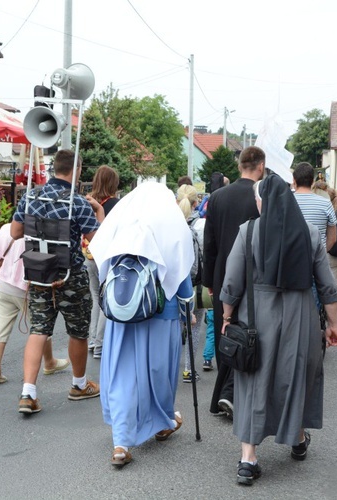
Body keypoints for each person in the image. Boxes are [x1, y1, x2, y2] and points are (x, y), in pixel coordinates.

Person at [220, 174, 337, 486]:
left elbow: (232, 282)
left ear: (264, 202)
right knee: (297, 375)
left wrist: (226, 317)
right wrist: (333, 324)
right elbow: (326, 285)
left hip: (256, 319)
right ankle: (298, 438)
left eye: (258, 199)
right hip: (300, 318)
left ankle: (248, 459)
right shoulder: (311, 234)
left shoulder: (247, 232)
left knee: (254, 381)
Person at [89, 182, 194, 467]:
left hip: (123, 312)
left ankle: (121, 443)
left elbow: (103, 264)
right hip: (162, 311)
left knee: (124, 374)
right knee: (159, 371)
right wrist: (189, 307)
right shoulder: (170, 224)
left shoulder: (121, 223)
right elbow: (182, 273)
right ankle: (162, 421)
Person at [10, 149, 103, 415]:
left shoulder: (31, 195)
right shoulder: (77, 202)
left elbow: (16, 232)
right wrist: (98, 212)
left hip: (39, 273)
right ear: (77, 170)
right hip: (71, 275)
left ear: (54, 168)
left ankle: (28, 392)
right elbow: (98, 240)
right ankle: (79, 384)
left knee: (39, 329)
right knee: (77, 331)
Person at [202, 146, 263, 418]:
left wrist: (209, 280)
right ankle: (237, 394)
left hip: (221, 273)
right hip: (253, 277)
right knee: (249, 333)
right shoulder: (261, 198)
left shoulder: (217, 197)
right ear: (260, 166)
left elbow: (210, 243)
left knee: (224, 334)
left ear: (240, 166)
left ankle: (221, 395)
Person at [0, 223, 69, 386]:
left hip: (3, 285)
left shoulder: (5, 229)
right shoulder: (40, 234)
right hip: (27, 289)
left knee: (1, 328)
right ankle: (49, 362)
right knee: (40, 327)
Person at [84, 166, 120, 360]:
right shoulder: (115, 204)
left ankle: (92, 339)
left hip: (88, 255)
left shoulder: (89, 201)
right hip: (106, 256)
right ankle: (100, 343)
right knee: (107, 297)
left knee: (95, 298)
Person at [176, 184, 206, 382]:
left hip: (171, 286)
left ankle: (169, 367)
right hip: (194, 284)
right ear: (197, 203)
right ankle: (188, 369)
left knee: (174, 327)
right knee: (194, 327)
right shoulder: (201, 226)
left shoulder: (168, 225)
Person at [293, 162, 337, 250]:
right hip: (318, 258)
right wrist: (322, 253)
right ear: (313, 182)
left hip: (292, 258)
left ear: (294, 181)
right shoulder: (326, 203)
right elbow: (333, 238)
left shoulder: (285, 202)